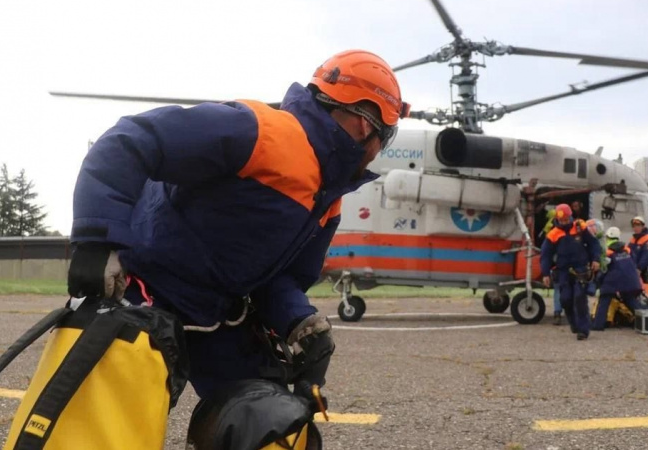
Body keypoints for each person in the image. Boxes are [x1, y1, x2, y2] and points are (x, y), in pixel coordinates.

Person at [65, 49, 410, 430]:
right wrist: (97, 242)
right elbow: (132, 141)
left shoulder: (328, 201)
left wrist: (300, 321)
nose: (378, 151)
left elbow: (282, 279)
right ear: (365, 126)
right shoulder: (260, 131)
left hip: (216, 314)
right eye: (385, 137)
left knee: (270, 420)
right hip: (144, 287)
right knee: (106, 421)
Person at [539, 204, 602, 340]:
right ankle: (574, 324)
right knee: (565, 300)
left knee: (580, 298)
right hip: (563, 271)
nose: (564, 222)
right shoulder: (553, 234)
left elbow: (594, 244)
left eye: (567, 219)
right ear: (557, 219)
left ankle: (583, 330)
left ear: (570, 217)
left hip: (580, 269)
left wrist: (596, 259)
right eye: (562, 220)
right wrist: (545, 274)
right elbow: (545, 256)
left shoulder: (580, 227)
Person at [592, 227, 644, 331]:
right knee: (630, 299)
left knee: (604, 299)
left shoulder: (606, 252)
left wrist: (598, 282)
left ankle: (598, 325)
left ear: (607, 237)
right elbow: (633, 263)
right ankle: (647, 320)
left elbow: (603, 270)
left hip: (612, 281)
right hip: (630, 280)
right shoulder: (628, 250)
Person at [628, 216, 648, 296]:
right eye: (634, 226)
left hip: (644, 270)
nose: (636, 228)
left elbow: (646, 256)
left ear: (643, 226)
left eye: (638, 225)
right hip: (634, 269)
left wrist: (639, 269)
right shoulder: (633, 239)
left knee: (646, 291)